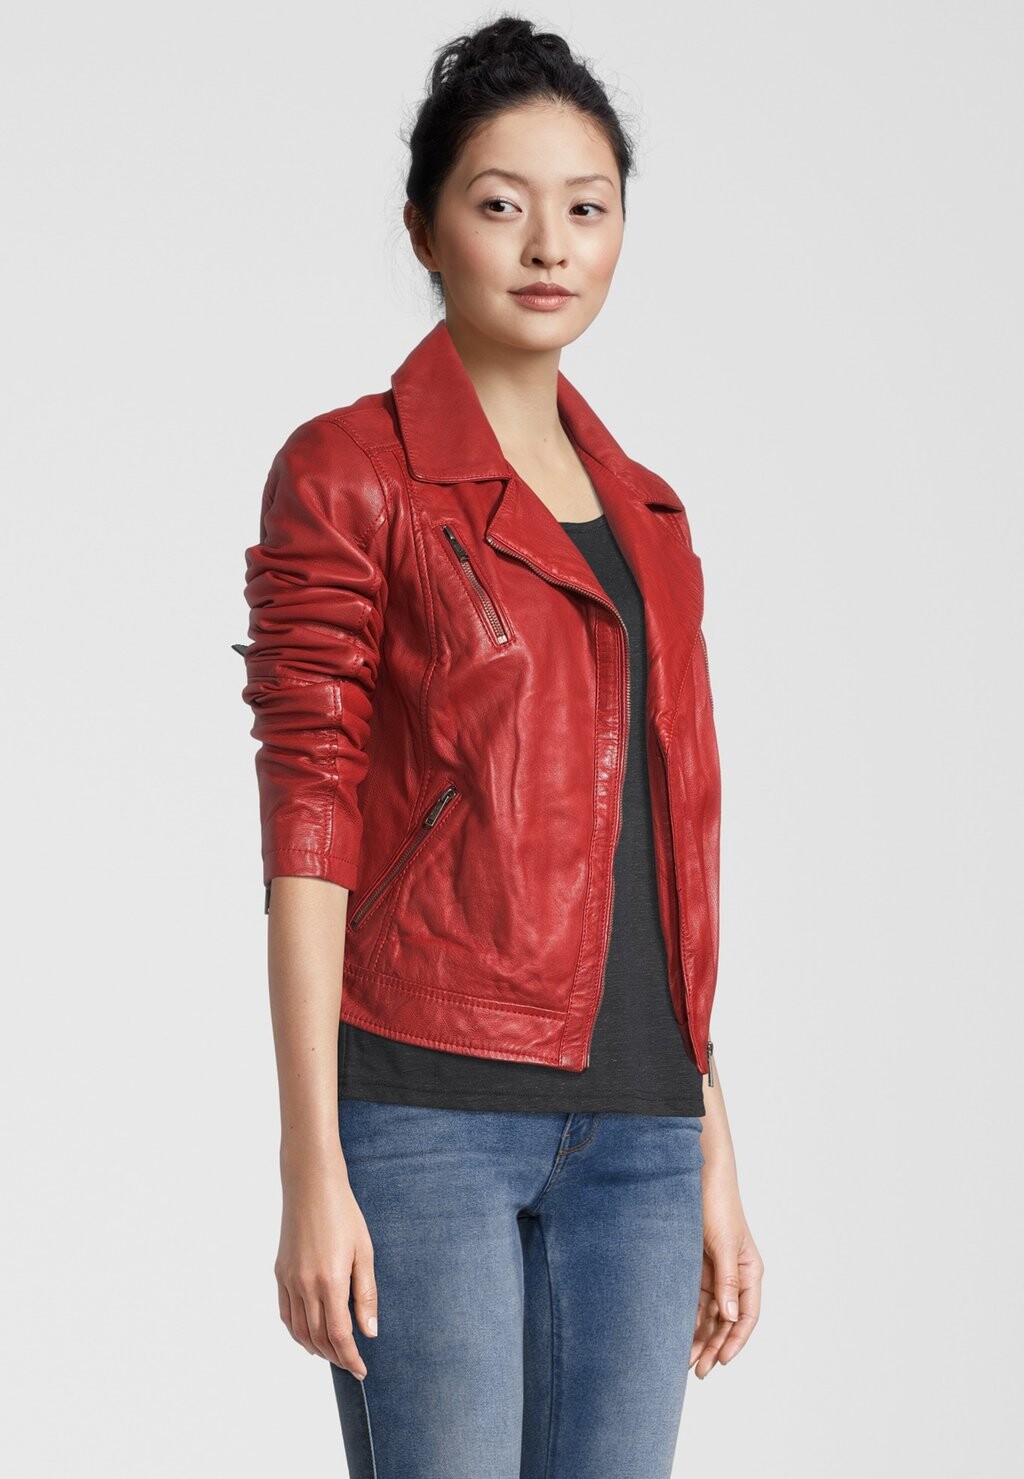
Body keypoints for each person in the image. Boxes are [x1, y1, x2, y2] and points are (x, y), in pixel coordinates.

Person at [237, 15, 763, 1477]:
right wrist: (310, 1158)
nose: (549, 246)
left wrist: (712, 1137)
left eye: (586, 208)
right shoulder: (350, 472)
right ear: (424, 228)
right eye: (500, 203)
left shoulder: (652, 518)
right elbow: (310, 820)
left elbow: (662, 847)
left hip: (644, 1138)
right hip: (428, 1116)